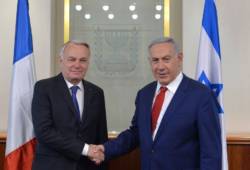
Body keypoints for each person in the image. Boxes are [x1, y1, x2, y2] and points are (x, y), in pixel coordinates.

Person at [93, 37, 222, 170]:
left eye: (166, 59)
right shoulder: (144, 94)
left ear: (179, 58)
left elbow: (211, 152)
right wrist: (105, 149)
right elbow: (136, 133)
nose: (160, 66)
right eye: (155, 60)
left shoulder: (201, 95)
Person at [31, 40, 107, 170]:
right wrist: (85, 149)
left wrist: (100, 158)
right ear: (61, 61)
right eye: (72, 59)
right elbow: (44, 132)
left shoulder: (97, 93)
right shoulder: (43, 88)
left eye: (83, 60)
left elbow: (101, 135)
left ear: (88, 63)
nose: (77, 65)